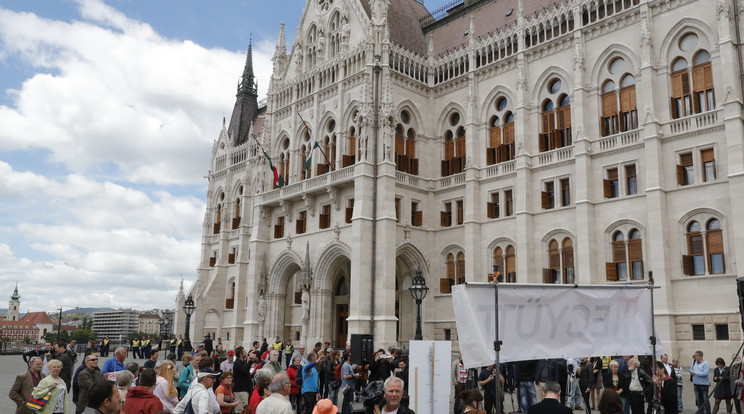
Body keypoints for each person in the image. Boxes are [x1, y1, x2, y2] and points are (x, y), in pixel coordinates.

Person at [234, 347, 257, 411]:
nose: (246, 353)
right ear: (240, 354)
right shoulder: (238, 363)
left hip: (245, 389)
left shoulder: (242, 362)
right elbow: (245, 371)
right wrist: (249, 361)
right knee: (241, 409)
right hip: (241, 390)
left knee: (245, 408)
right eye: (244, 352)